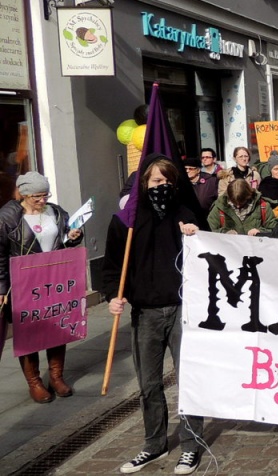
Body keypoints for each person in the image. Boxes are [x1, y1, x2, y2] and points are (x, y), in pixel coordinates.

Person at [103, 154, 204, 475]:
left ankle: (191, 446)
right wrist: (112, 296)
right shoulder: (125, 220)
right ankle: (154, 443)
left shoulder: (185, 214)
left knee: (188, 380)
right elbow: (112, 268)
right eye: (156, 181)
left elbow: (207, 258)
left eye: (168, 181)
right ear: (143, 184)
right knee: (149, 384)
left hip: (181, 310)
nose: (162, 187)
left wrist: (194, 234)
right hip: (144, 313)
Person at [0, 172, 83, 403]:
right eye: (37, 196)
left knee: (57, 325)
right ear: (23, 194)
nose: (42, 200)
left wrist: (73, 236)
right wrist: (1, 288)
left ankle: (56, 377)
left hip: (54, 279)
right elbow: (0, 255)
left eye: (45, 195)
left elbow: (65, 238)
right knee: (28, 331)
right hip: (24, 283)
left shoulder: (55, 212)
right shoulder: (7, 218)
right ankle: (34, 382)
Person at [207, 179, 277, 236]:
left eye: (241, 202)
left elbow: (274, 229)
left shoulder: (262, 205)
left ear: (248, 196)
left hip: (257, 249)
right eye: (234, 202)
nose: (238, 206)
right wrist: (225, 233)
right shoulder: (220, 207)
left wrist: (260, 232)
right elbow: (209, 231)